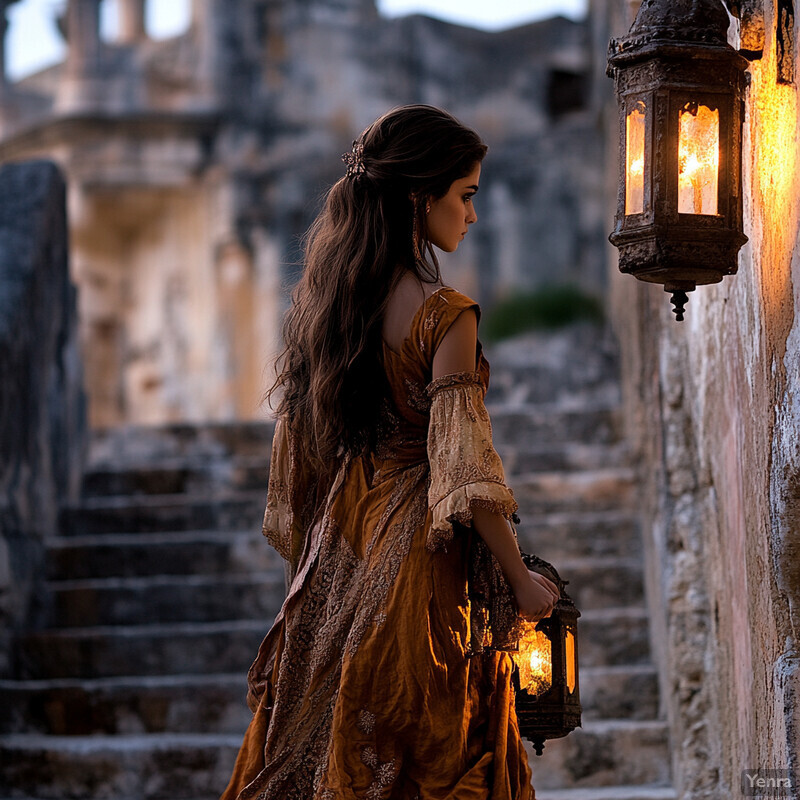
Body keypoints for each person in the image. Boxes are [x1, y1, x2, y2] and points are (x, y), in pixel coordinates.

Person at [220, 104, 560, 800]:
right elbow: (461, 468)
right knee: (427, 747)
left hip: (339, 546)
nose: (471, 215)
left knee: (326, 747)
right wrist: (521, 581)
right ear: (419, 197)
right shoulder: (445, 315)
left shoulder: (330, 307)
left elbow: (307, 455)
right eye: (465, 196)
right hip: (413, 559)